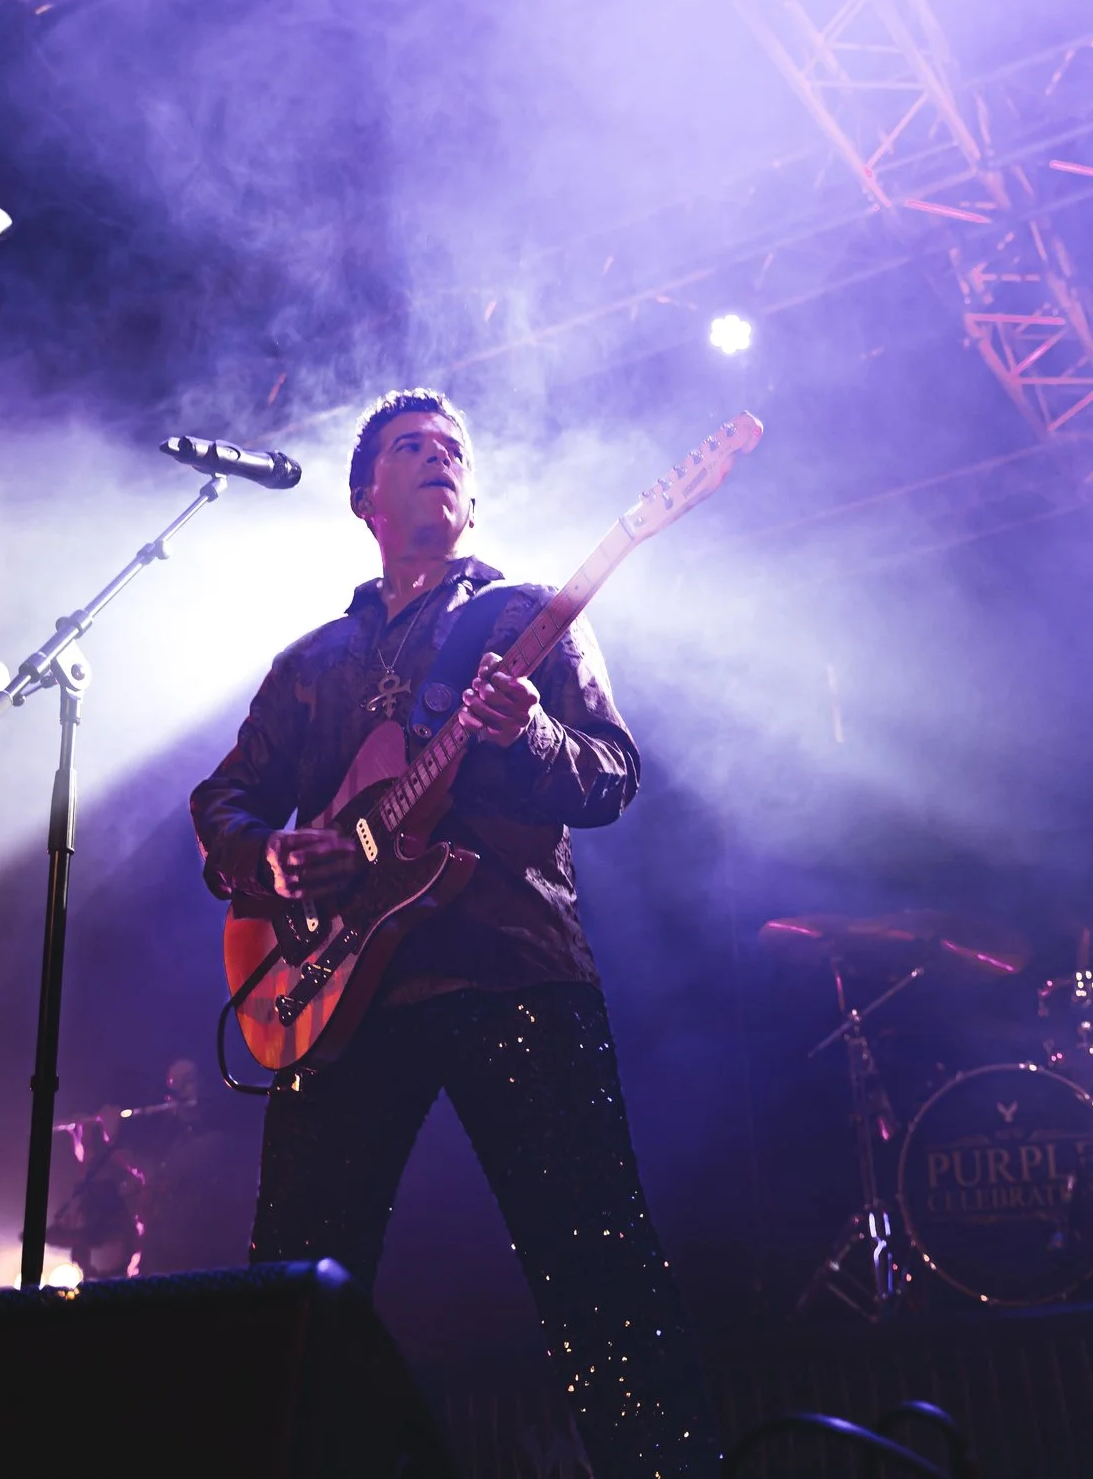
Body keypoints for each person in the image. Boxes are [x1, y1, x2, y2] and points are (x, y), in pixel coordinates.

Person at [189, 388, 719, 1477]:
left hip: (512, 967)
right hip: (339, 1000)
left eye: (451, 450)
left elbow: (613, 775)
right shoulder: (313, 663)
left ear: (471, 497)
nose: (436, 458)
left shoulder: (524, 612)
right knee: (295, 1280)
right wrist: (272, 858)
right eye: (408, 448)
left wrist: (526, 736)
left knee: (598, 1269)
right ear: (362, 497)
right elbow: (225, 801)